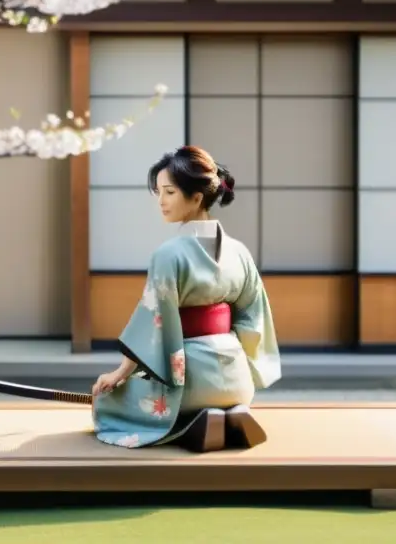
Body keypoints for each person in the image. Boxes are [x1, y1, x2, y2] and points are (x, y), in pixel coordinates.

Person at [91, 145, 281, 453]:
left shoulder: (168, 255)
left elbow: (155, 324)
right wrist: (241, 363)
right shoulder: (239, 252)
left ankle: (193, 425)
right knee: (223, 389)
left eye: (169, 192)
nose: (161, 202)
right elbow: (252, 317)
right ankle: (231, 411)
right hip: (236, 377)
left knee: (110, 403)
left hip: (192, 382)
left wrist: (119, 374)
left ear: (196, 197)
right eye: (158, 193)